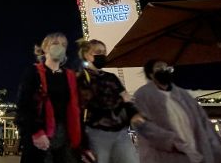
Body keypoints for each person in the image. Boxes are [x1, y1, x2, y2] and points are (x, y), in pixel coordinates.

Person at [131, 59, 221, 163]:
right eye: (159, 68)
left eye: (166, 68)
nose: (164, 70)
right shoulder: (142, 95)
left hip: (197, 156)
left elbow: (204, 124)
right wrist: (173, 143)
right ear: (150, 74)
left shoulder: (183, 95)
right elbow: (143, 125)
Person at [16, 32, 92, 163]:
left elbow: (77, 109)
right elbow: (24, 105)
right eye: (55, 43)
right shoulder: (34, 73)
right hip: (41, 135)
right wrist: (36, 131)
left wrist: (83, 145)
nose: (60, 47)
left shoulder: (70, 76)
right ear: (45, 47)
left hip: (66, 137)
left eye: (64, 44)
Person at [76, 39, 139, 163]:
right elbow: (92, 103)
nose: (102, 55)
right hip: (97, 132)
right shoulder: (82, 79)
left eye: (104, 52)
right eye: (98, 52)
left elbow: (127, 101)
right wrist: (121, 99)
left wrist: (135, 114)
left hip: (120, 131)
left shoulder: (111, 77)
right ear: (87, 55)